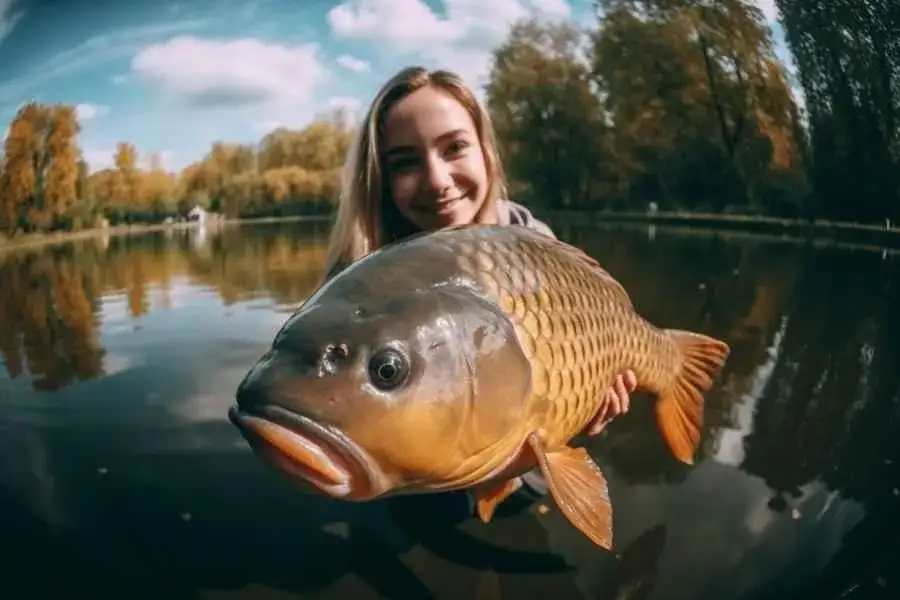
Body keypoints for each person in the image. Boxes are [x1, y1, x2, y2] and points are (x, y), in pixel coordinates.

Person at [320, 65, 637, 523]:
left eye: (455, 148)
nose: (437, 180)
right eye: (405, 162)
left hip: (528, 474)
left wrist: (586, 412)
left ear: (486, 152)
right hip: (417, 486)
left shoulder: (536, 248)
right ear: (380, 181)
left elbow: (564, 393)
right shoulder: (360, 280)